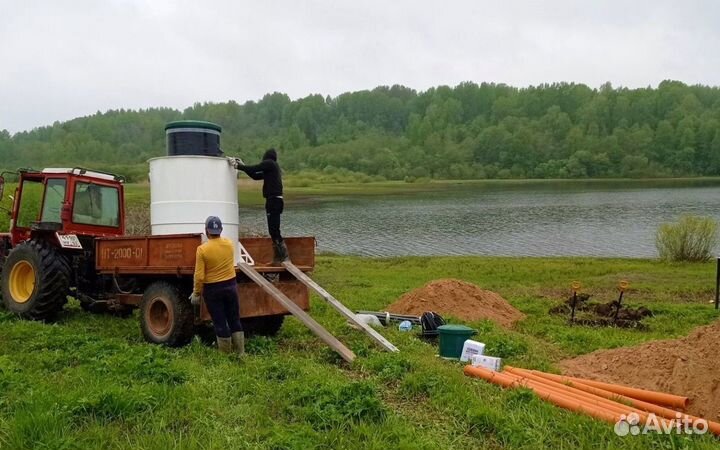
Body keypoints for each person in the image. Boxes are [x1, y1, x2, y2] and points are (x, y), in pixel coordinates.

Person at [189, 216, 244, 355]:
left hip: (213, 289)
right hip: (231, 286)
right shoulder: (229, 244)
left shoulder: (202, 250)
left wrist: (196, 293)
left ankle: (225, 354)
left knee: (220, 321)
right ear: (221, 230)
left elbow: (199, 275)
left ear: (207, 231)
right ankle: (240, 352)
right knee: (234, 319)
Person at [231, 148, 289, 264]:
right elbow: (255, 175)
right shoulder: (272, 168)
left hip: (273, 201)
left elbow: (255, 168)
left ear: (266, 157)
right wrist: (243, 165)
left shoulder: (269, 163)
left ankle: (284, 257)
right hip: (274, 201)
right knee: (273, 230)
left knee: (274, 229)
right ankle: (278, 258)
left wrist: (238, 166)